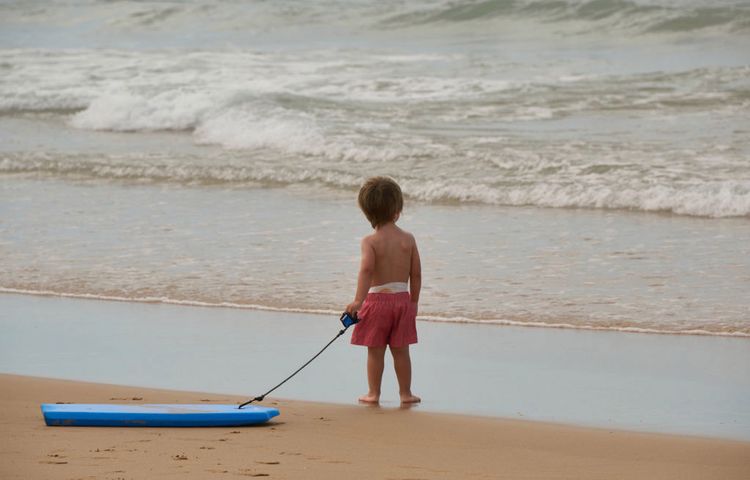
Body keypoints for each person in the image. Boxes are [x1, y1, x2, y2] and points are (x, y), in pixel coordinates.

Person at [346, 176, 421, 404]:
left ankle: (373, 393)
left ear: (367, 213)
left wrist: (358, 301)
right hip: (402, 301)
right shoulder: (407, 239)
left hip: (377, 302)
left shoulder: (370, 241)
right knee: (401, 351)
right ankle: (406, 393)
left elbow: (367, 269)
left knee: (375, 351)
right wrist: (414, 302)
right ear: (397, 210)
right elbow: (416, 274)